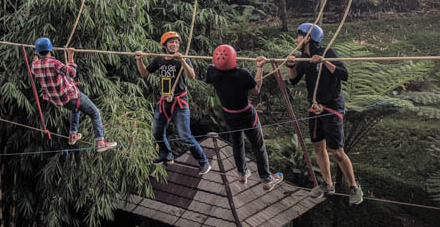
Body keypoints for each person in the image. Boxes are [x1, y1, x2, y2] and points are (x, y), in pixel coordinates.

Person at [287, 23, 363, 205]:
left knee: (337, 151)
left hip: (332, 107)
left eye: (299, 35)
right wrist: (291, 65)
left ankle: (354, 186)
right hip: (315, 108)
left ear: (308, 38)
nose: (296, 39)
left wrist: (324, 62)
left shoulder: (329, 52)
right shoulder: (304, 58)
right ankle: (328, 183)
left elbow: (344, 74)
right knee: (318, 147)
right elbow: (293, 80)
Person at [206, 44, 283, 190]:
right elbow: (256, 90)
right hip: (246, 114)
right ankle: (266, 179)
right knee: (258, 146)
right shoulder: (242, 74)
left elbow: (214, 68)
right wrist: (260, 67)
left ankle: (242, 172)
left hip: (228, 114)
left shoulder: (212, 72)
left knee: (237, 143)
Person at [135, 32, 211, 175]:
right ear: (164, 45)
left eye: (176, 42)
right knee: (157, 132)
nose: (174, 45)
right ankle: (166, 155)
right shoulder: (159, 60)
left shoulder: (182, 59)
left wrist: (182, 61)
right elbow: (145, 73)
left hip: (179, 102)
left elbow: (192, 76)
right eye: (171, 42)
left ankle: (203, 161)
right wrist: (139, 60)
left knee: (184, 135)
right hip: (164, 101)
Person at [30, 37, 117, 152]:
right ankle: (100, 142)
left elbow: (35, 62)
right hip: (71, 96)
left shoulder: (35, 66)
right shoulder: (54, 63)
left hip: (60, 101)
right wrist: (70, 56)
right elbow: (72, 73)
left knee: (76, 108)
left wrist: (35, 55)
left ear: (37, 51)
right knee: (95, 113)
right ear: (50, 49)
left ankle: (73, 135)